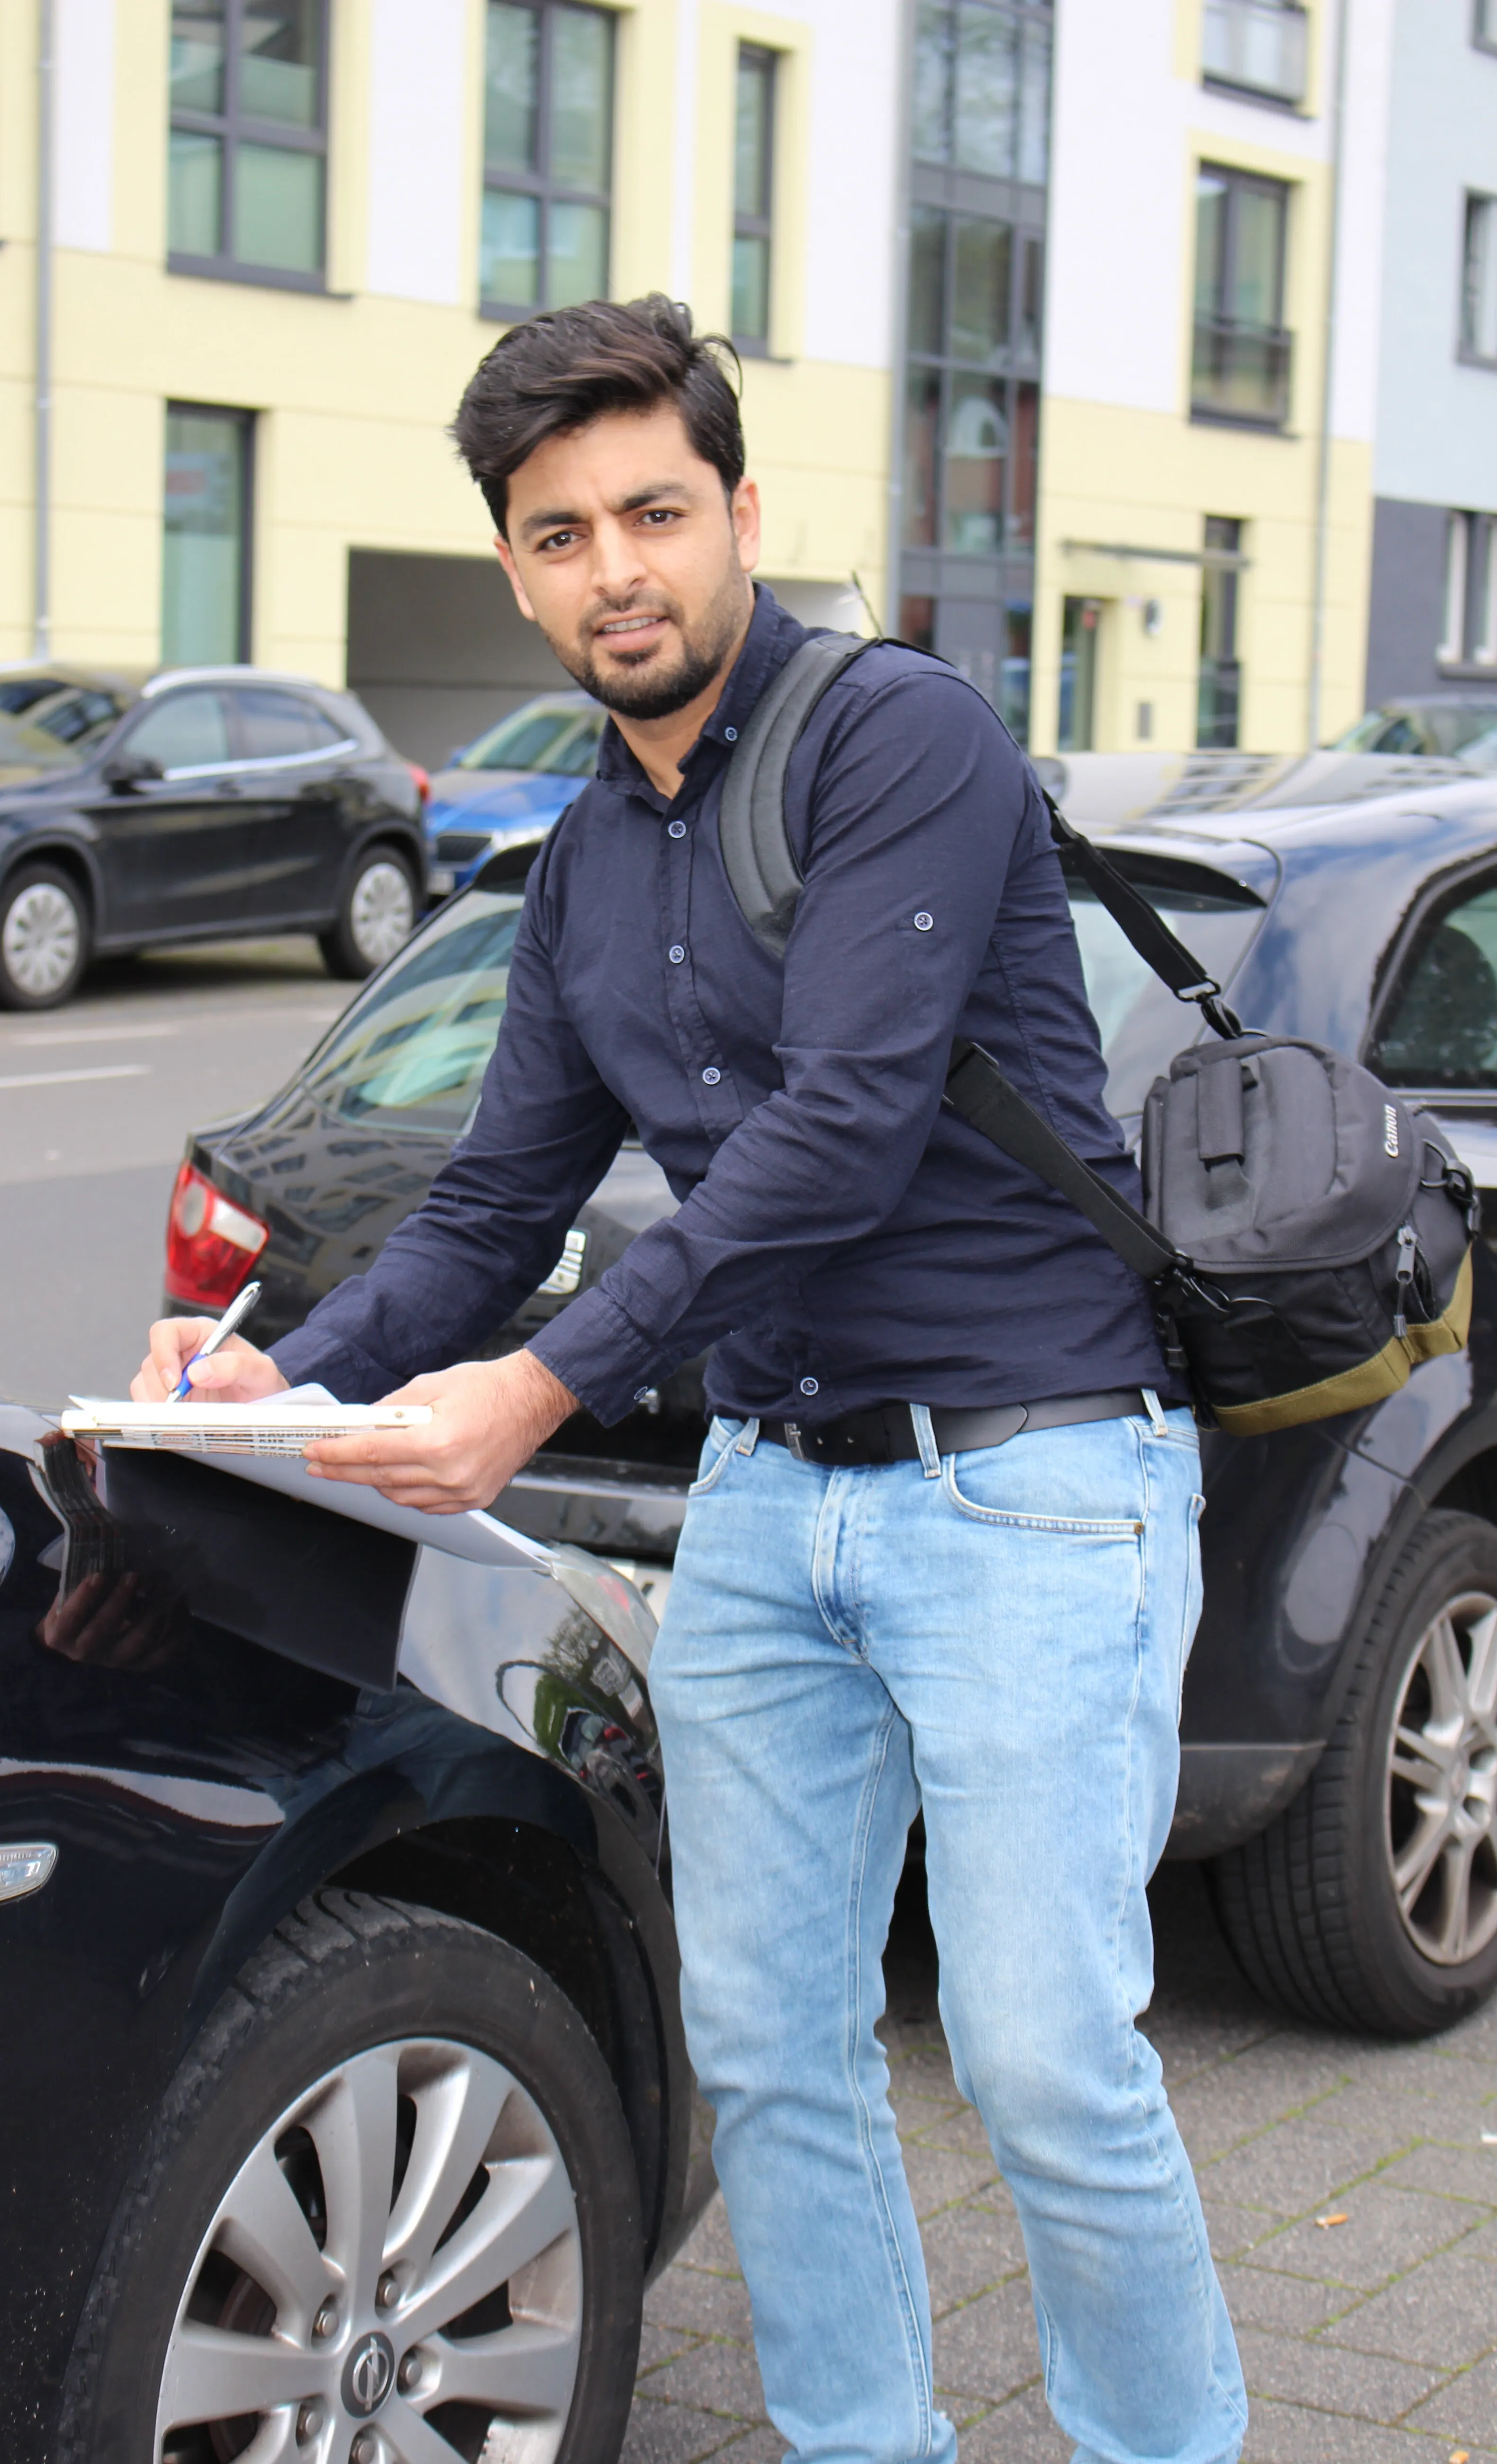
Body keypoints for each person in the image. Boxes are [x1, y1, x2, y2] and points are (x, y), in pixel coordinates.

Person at [132, 294, 1246, 2464]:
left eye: (654, 513)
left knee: (1042, 2057)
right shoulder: (581, 862)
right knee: (766, 2047)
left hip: (1028, 1482)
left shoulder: (898, 738)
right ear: (515, 568)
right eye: (561, 536)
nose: (615, 570)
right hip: (770, 1497)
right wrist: (256, 1383)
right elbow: (491, 1203)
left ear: (741, 510)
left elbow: (845, 1129)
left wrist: (537, 1394)